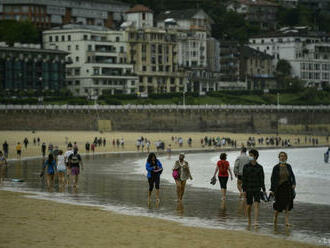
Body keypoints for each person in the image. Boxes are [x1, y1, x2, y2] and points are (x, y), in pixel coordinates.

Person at [270, 151, 296, 227]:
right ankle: (275, 218)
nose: (282, 157)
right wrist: (272, 190)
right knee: (278, 205)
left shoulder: (288, 166)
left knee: (287, 204)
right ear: (279, 157)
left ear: (286, 158)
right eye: (281, 156)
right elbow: (273, 179)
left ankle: (286, 221)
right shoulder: (276, 167)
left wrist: (294, 184)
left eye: (284, 156)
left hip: (288, 187)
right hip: (279, 188)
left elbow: (292, 176)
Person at [242, 149, 266, 226]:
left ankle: (256, 221)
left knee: (257, 205)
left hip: (257, 188)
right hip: (248, 188)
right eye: (249, 155)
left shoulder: (260, 167)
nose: (249, 157)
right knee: (249, 206)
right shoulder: (245, 166)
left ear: (255, 156)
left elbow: (262, 179)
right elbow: (244, 179)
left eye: (251, 155)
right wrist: (244, 190)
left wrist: (264, 189)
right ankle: (249, 219)